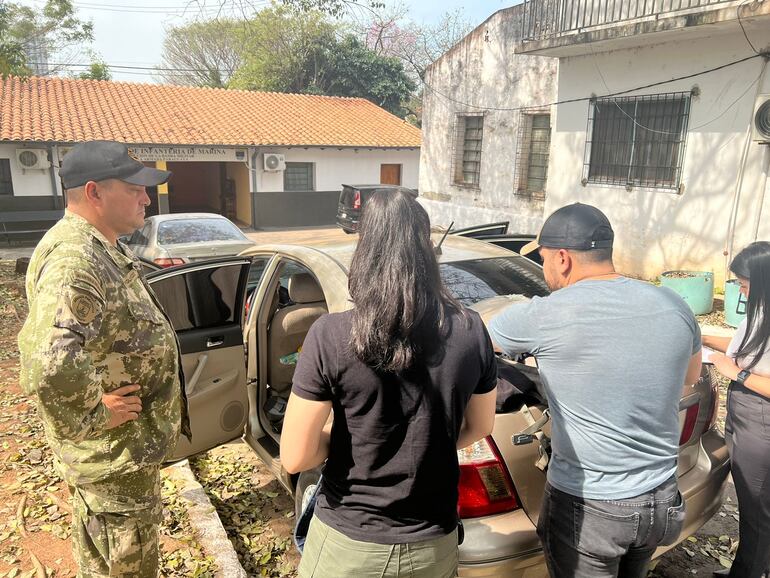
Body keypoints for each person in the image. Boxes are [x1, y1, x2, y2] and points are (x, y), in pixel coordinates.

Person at [279, 189, 498, 578]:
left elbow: (295, 456)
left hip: (349, 543)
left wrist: (350, 441)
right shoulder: (471, 329)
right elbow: (480, 427)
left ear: (365, 251)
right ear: (427, 250)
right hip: (434, 541)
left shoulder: (330, 334)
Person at [488, 203, 703, 578]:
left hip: (591, 508)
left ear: (562, 258)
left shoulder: (545, 315)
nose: (545, 269)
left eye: (542, 259)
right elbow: (689, 375)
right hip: (661, 498)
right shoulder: (673, 303)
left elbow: (473, 338)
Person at [17, 140, 190, 577]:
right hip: (113, 462)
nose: (146, 198)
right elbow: (47, 363)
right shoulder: (76, 259)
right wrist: (96, 413)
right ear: (93, 192)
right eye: (134, 188)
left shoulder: (98, 246)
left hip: (118, 462)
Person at [703, 241, 770, 578]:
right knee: (754, 505)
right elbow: (740, 346)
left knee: (757, 510)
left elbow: (743, 364)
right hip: (746, 415)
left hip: (762, 420)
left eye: (743, 282)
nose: (739, 288)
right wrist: (700, 336)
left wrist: (737, 373)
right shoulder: (761, 308)